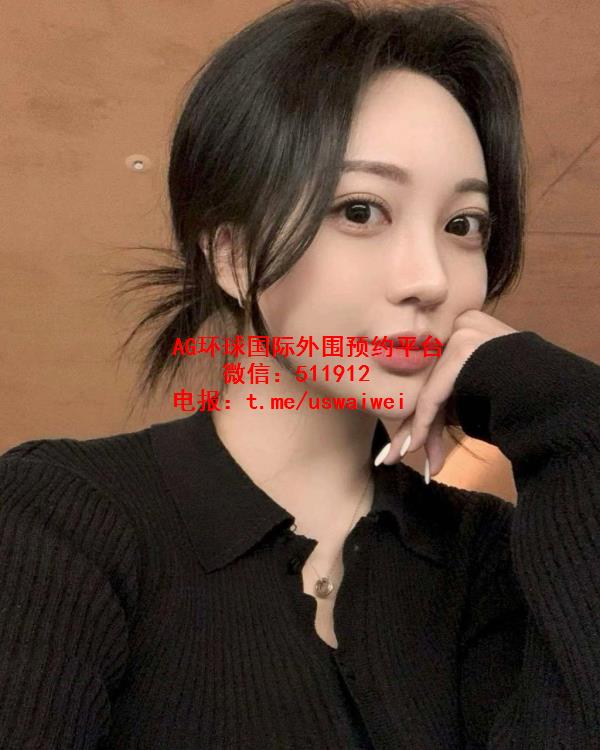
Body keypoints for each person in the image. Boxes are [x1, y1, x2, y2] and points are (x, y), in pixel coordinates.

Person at [1, 0, 598, 748]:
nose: (432, 279)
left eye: (462, 225)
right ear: (234, 257)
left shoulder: (485, 556)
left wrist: (576, 422)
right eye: (361, 211)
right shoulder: (63, 519)